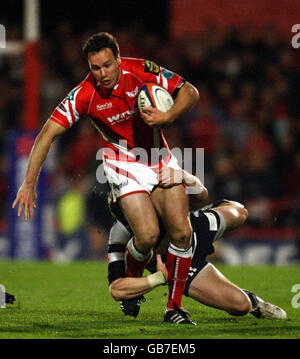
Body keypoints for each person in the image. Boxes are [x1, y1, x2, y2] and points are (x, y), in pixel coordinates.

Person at [12, 32, 200, 322]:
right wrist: (28, 183)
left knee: (182, 232)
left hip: (158, 158)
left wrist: (168, 116)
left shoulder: (142, 71)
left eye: (108, 65)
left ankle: (173, 307)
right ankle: (133, 285)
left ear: (119, 60)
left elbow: (190, 91)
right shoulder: (84, 94)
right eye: (96, 68)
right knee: (148, 235)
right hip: (121, 164)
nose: (102, 74)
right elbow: (47, 134)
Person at [107, 167, 287, 323]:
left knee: (239, 211)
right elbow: (117, 289)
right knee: (240, 305)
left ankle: (202, 216)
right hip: (178, 266)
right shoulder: (119, 233)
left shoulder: (154, 195)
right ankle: (253, 302)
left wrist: (186, 177)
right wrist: (160, 278)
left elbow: (201, 193)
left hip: (194, 230)